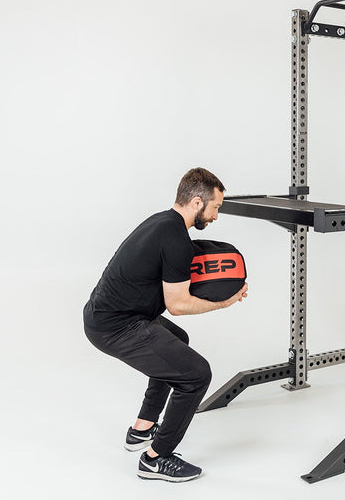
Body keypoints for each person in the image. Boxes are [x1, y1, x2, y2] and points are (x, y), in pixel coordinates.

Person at [83, 167, 247, 482]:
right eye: (216, 207)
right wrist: (225, 301)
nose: (215, 216)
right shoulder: (176, 239)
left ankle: (141, 429)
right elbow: (178, 304)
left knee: (177, 340)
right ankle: (156, 459)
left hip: (109, 315)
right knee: (197, 375)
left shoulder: (162, 222)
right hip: (116, 326)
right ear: (198, 202)